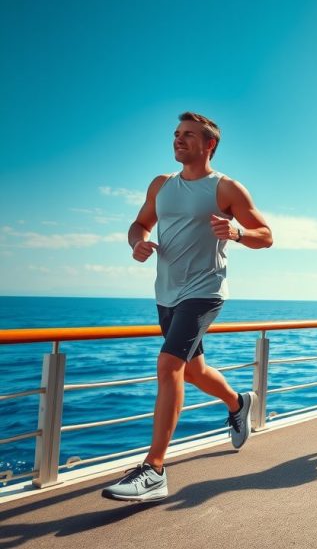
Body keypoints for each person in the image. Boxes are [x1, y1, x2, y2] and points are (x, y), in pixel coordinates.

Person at [103, 112, 274, 502]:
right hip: (166, 292)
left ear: (209, 144)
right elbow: (139, 223)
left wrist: (238, 231)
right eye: (176, 134)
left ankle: (155, 470)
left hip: (205, 290)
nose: (178, 140)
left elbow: (266, 236)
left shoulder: (226, 188)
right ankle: (238, 402)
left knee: (168, 365)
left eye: (188, 135)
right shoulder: (161, 184)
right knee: (193, 370)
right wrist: (137, 243)